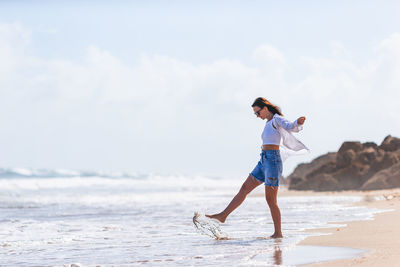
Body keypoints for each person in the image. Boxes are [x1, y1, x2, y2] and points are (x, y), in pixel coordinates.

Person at [206, 97, 307, 238]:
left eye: (257, 113)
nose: (257, 116)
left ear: (265, 108)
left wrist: (298, 122)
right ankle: (223, 215)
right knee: (244, 188)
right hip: (263, 160)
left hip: (273, 162)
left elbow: (290, 126)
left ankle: (278, 233)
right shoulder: (268, 122)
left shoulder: (277, 119)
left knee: (271, 200)